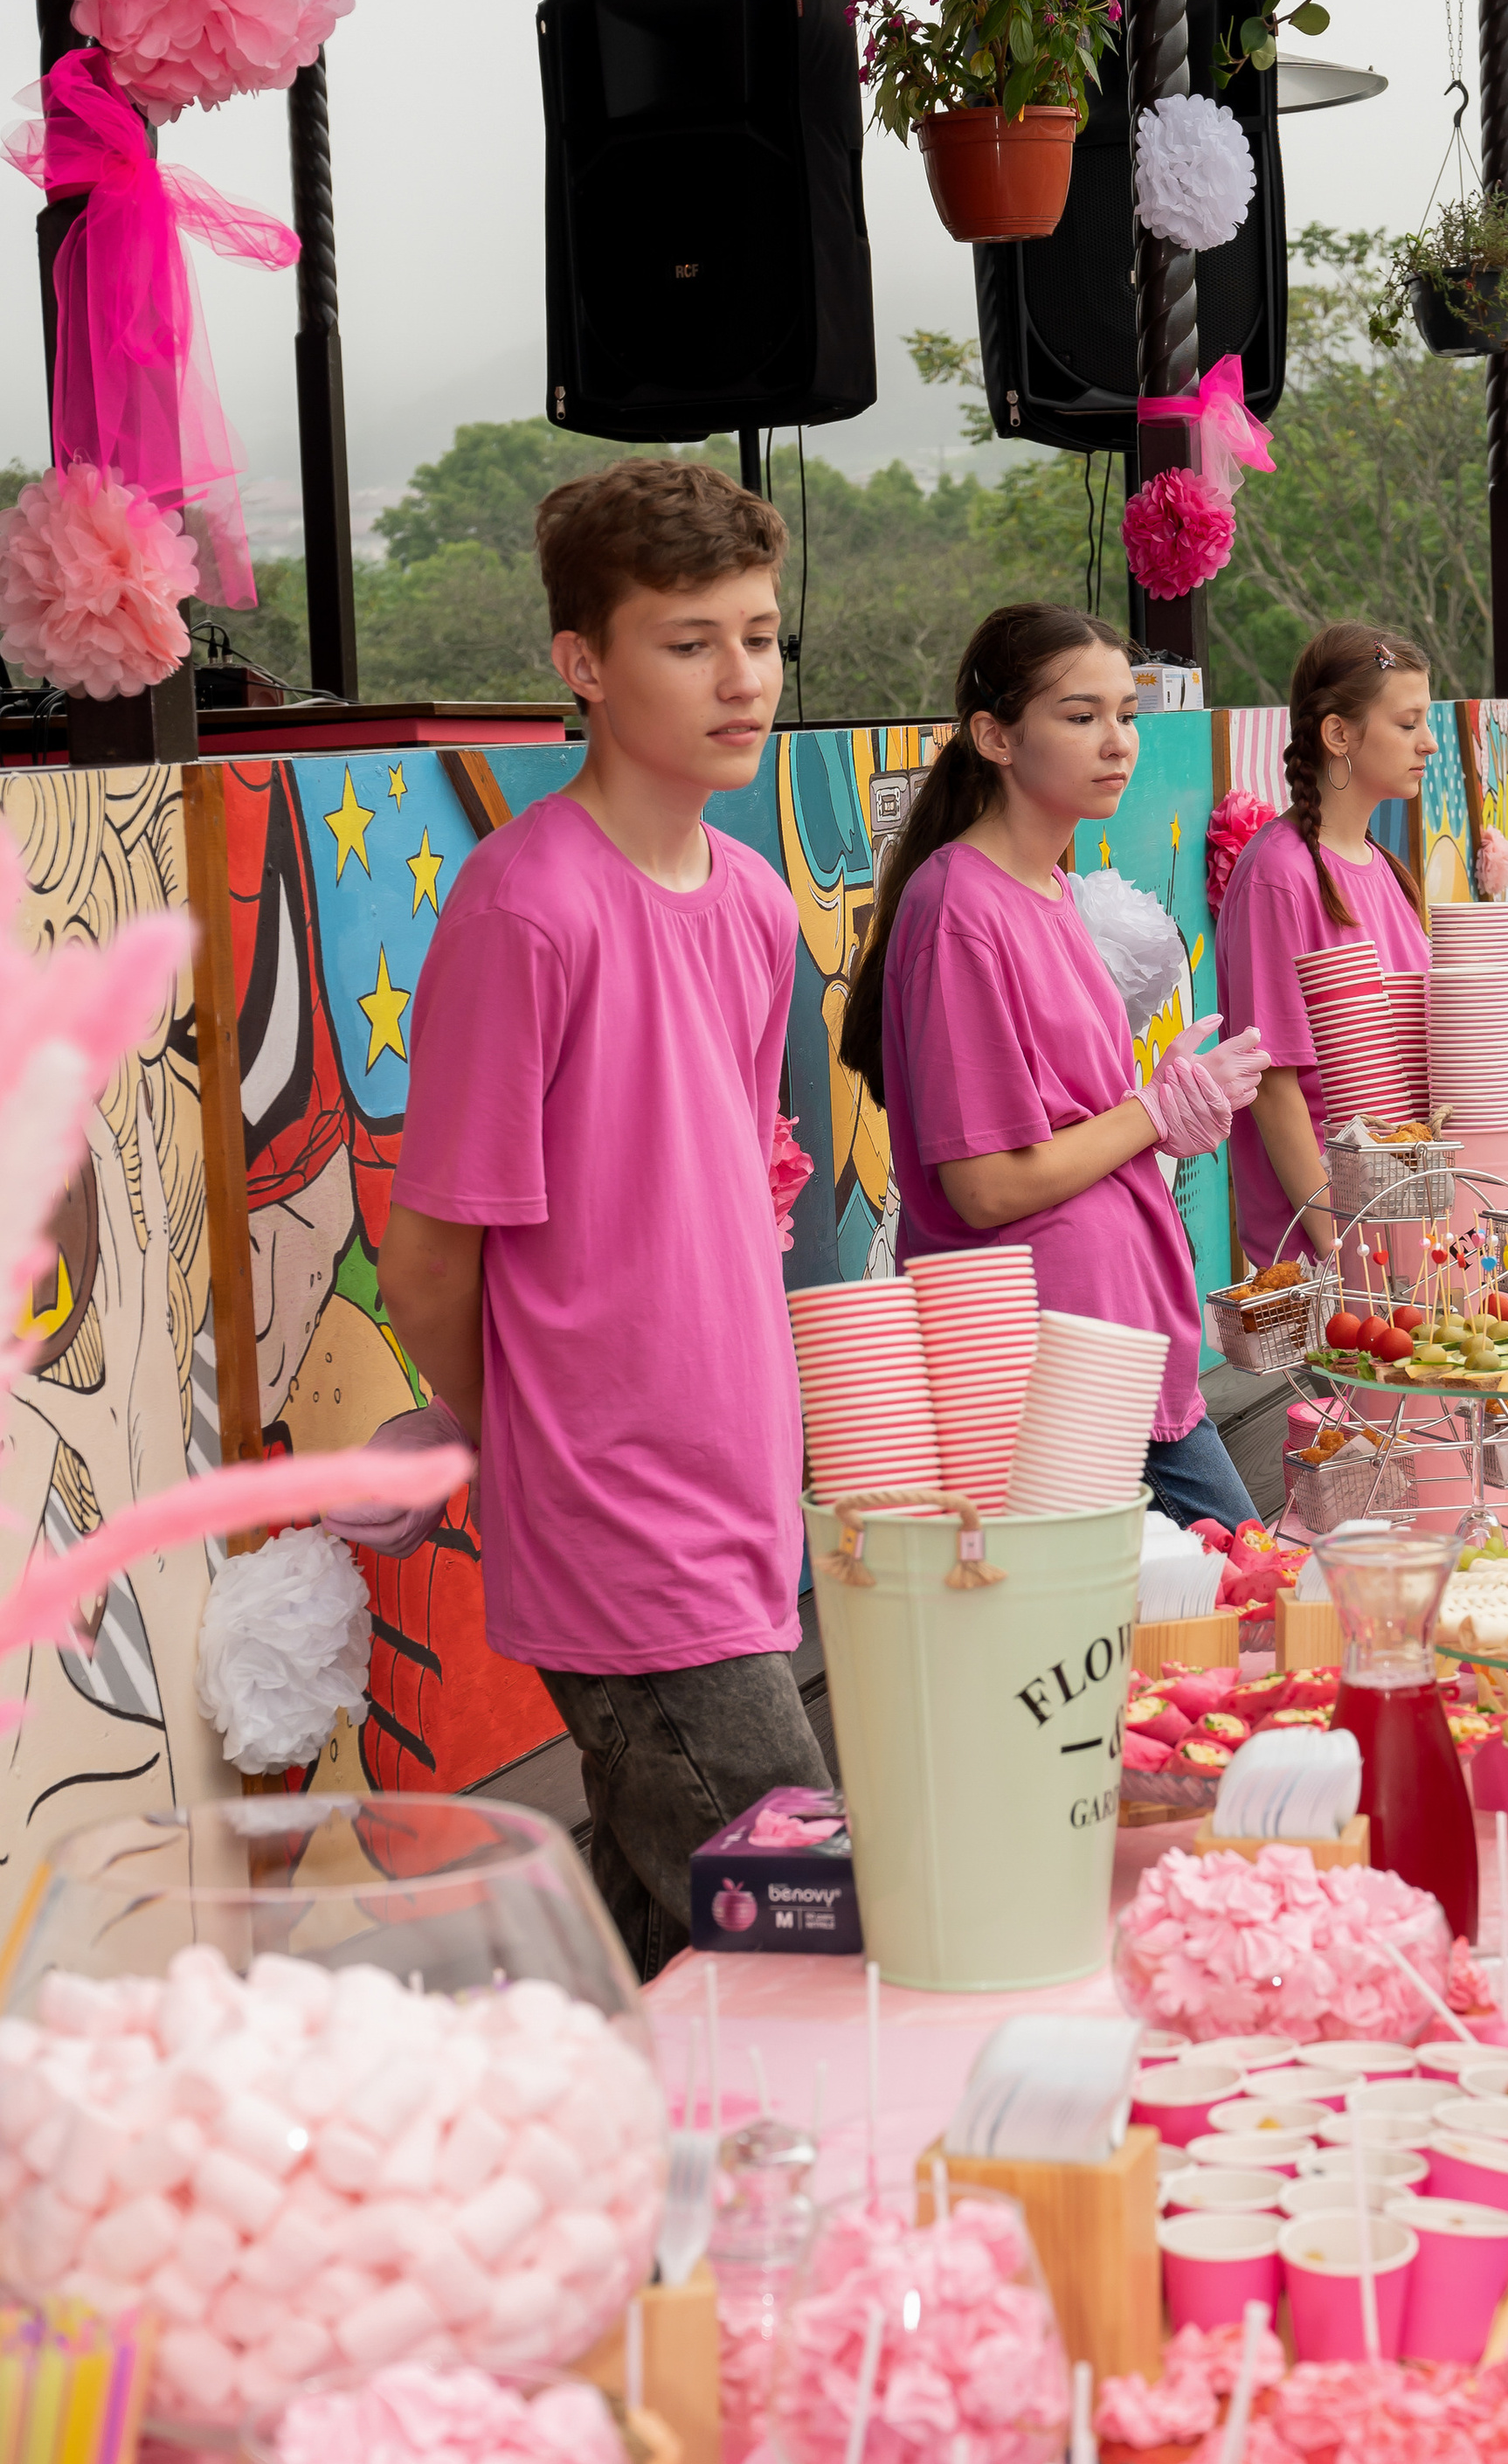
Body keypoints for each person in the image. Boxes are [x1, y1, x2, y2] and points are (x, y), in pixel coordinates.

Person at [375, 457, 830, 1981]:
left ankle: (581, 2213)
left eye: (760, 635)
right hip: (624, 1528)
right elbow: (430, 1254)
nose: (741, 676)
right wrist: (524, 1438)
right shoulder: (525, 907)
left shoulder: (761, 902)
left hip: (746, 1498)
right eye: (688, 640)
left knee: (676, 1965)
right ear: (584, 664)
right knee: (800, 1936)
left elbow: (731, 1190)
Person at [839, 602, 1269, 1535]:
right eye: (1080, 717)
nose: (1116, 743)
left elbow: (1072, 1127)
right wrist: (1152, 1112)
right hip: (1046, 1367)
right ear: (993, 735)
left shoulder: (1044, 888)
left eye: (1126, 714)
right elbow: (988, 1183)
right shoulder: (959, 907)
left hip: (1114, 1338)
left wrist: (1162, 1112)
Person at [1214, 623, 1434, 1264]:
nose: (1428, 742)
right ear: (1339, 734)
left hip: (1411, 1229)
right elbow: (1274, 1086)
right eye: (1407, 723)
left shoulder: (1385, 868)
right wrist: (1339, 1247)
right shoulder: (1278, 875)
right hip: (1341, 1249)